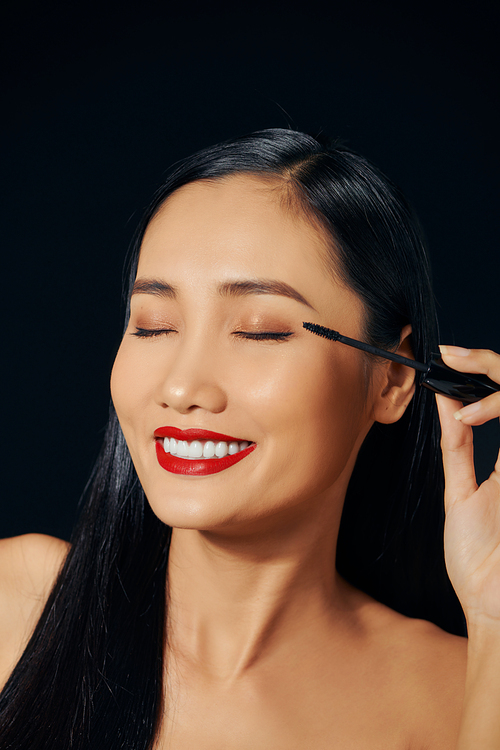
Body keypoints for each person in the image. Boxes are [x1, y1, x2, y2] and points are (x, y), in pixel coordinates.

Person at [0, 128, 499, 749]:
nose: (182, 387)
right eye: (153, 326)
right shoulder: (15, 607)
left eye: (260, 332)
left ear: (393, 378)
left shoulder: (462, 691)